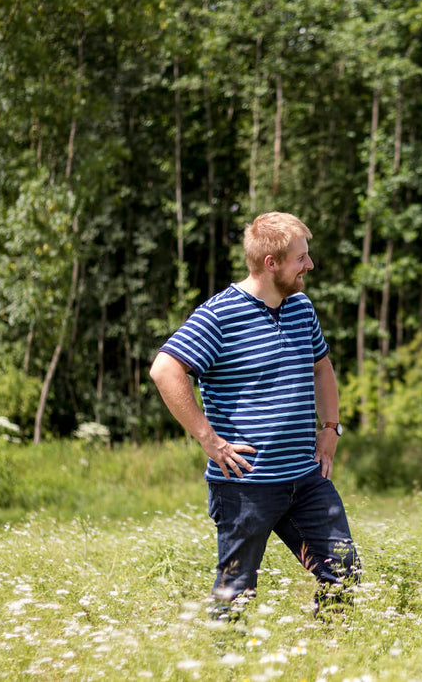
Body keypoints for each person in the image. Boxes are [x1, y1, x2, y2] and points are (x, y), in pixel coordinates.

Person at [149, 211, 360, 620]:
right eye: (302, 258)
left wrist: (331, 427)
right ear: (271, 264)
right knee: (236, 590)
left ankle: (334, 656)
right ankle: (228, 666)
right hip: (246, 484)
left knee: (342, 571)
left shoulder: (300, 308)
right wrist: (209, 440)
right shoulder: (219, 315)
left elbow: (322, 366)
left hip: (304, 477)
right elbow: (165, 369)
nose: (310, 265)